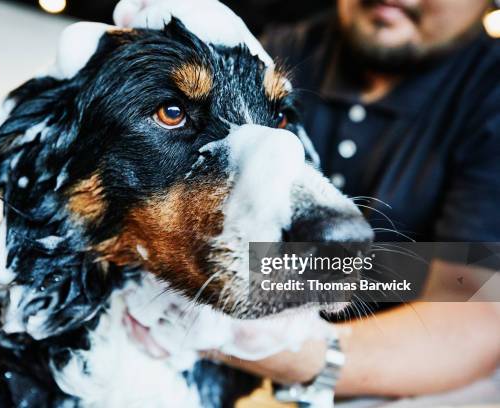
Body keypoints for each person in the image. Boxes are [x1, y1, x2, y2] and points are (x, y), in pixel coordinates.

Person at [210, 0, 500, 399]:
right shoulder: (276, 52)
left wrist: (287, 356)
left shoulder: (490, 97)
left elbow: (474, 307)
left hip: (401, 379)